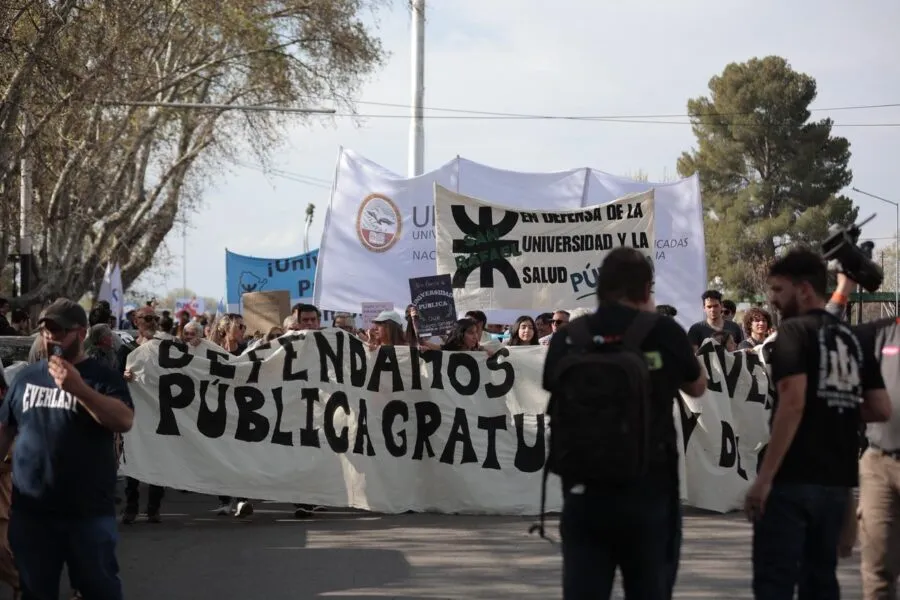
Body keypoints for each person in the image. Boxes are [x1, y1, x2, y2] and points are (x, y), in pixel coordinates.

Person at [542, 247, 706, 599]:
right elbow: (697, 385)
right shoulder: (664, 330)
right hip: (649, 491)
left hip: (583, 493)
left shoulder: (568, 336)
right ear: (646, 290)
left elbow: (551, 385)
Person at [744, 249, 891, 600]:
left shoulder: (793, 333)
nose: (773, 301)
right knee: (820, 582)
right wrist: (833, 405)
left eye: (779, 290)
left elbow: (792, 403)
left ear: (804, 289)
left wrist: (763, 481)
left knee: (775, 583)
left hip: (793, 482)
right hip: (836, 485)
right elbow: (880, 408)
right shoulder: (852, 338)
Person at [0, 298, 134, 599]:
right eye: (45, 330)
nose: (50, 338)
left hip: (86, 513)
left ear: (82, 333)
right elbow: (5, 431)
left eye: (59, 331)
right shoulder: (26, 377)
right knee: (34, 591)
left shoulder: (103, 377)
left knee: (98, 589)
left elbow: (124, 420)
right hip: (31, 513)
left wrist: (79, 389)